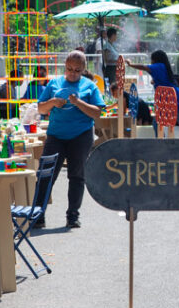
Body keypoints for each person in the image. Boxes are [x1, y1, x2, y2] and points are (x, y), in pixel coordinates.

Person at [37, 50, 103, 228]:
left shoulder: (90, 86)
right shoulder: (54, 83)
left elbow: (97, 112)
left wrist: (78, 103)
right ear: (64, 67)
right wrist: (53, 102)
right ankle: (38, 214)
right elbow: (41, 108)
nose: (72, 73)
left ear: (83, 69)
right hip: (56, 135)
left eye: (77, 70)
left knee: (77, 176)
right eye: (69, 69)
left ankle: (73, 214)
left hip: (81, 135)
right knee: (46, 174)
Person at [127, 50, 179, 138]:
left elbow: (144, 67)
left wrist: (130, 64)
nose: (151, 62)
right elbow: (162, 79)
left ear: (155, 59)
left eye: (152, 59)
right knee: (157, 121)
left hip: (172, 97)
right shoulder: (163, 67)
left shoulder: (159, 66)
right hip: (169, 97)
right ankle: (162, 140)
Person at [101, 27, 120, 92]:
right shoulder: (106, 46)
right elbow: (106, 60)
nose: (116, 37)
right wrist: (117, 61)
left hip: (115, 68)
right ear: (113, 35)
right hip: (110, 69)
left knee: (115, 85)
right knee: (111, 86)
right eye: (116, 35)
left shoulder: (112, 45)